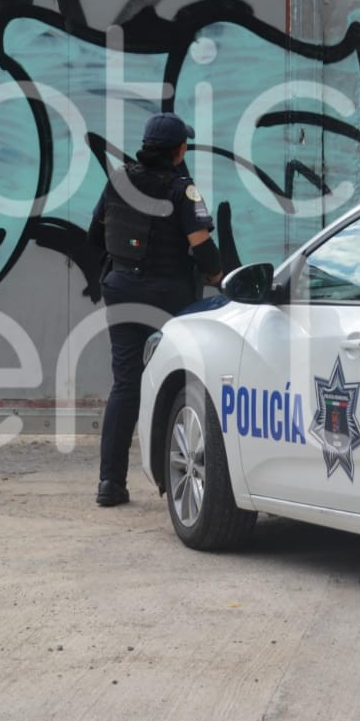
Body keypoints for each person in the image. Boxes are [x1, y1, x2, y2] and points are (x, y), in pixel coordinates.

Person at [86, 112, 223, 507]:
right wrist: (218, 276)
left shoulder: (118, 181)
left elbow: (95, 236)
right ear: (179, 150)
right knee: (187, 379)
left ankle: (110, 484)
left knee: (126, 385)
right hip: (171, 299)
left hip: (123, 290)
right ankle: (190, 472)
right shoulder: (182, 189)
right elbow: (201, 244)